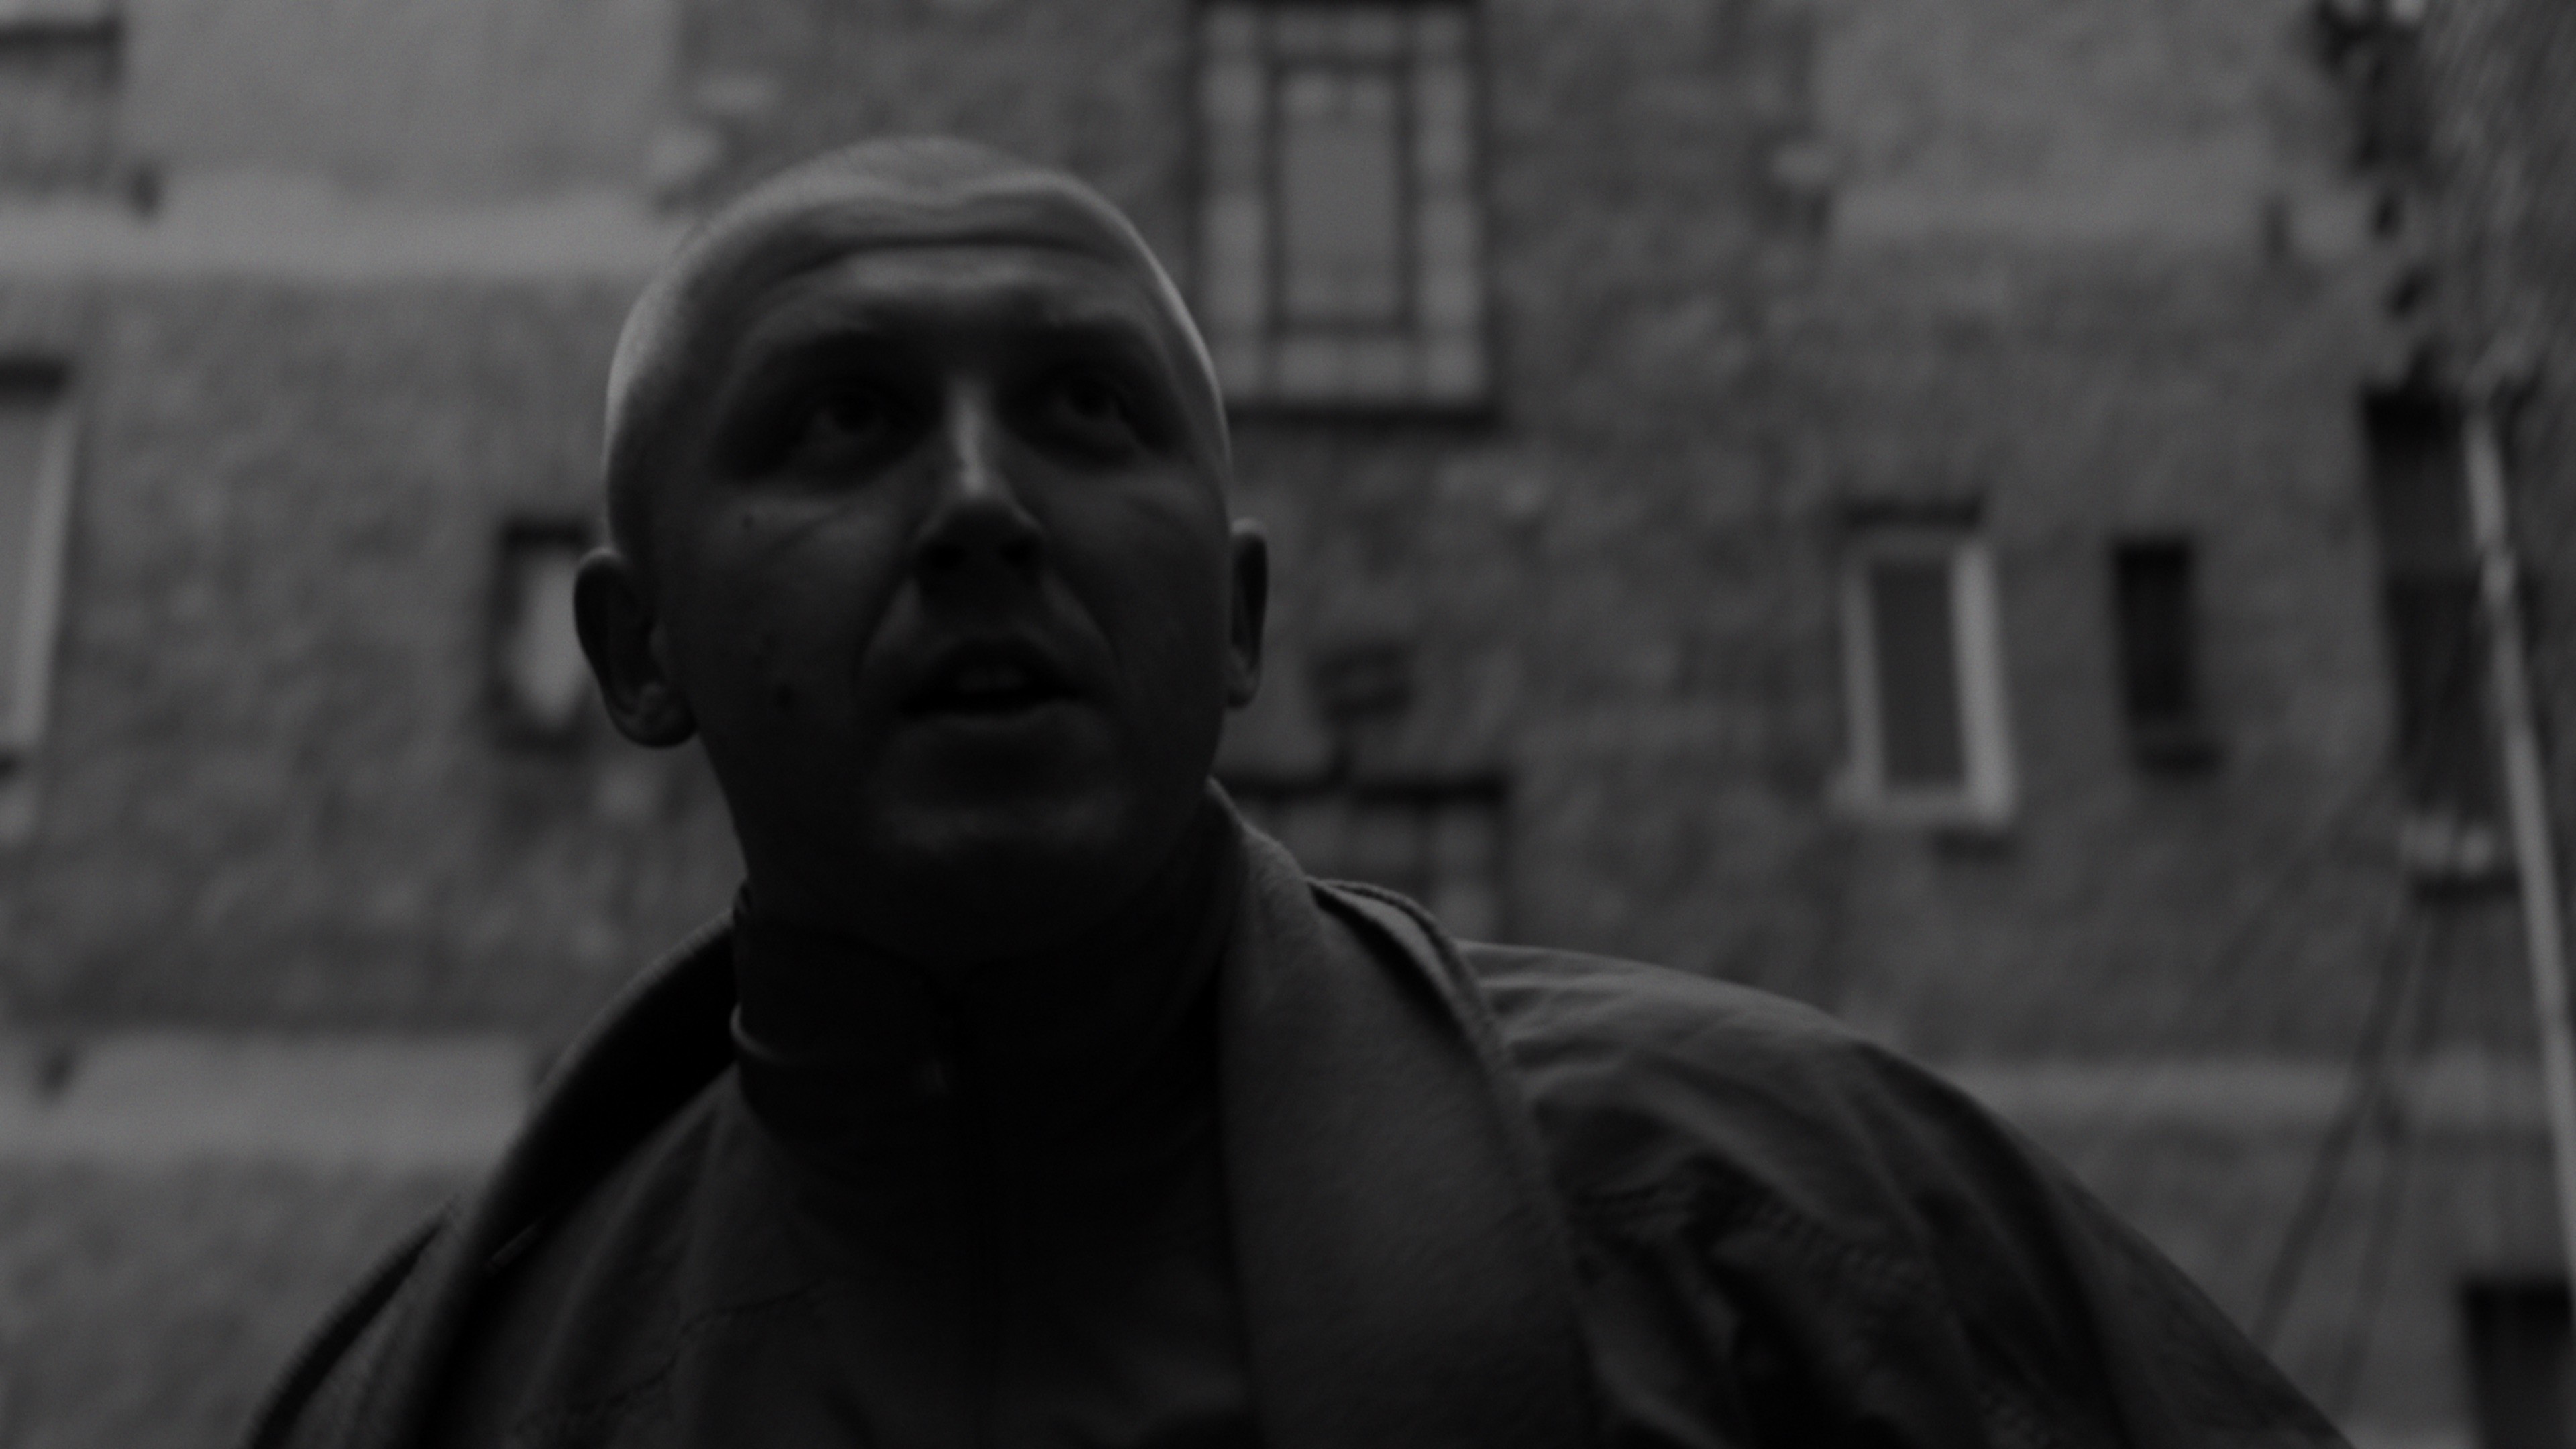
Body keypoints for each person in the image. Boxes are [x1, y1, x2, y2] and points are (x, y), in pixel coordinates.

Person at [247, 137, 2347, 1449]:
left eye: (1083, 409)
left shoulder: (1790, 1239)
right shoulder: (447, 1392)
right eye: (843, 418)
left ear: (1236, 619)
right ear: (637, 654)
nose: (981, 506)